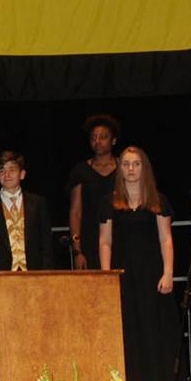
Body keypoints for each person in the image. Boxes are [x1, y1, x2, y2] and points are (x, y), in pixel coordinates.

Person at [98, 146, 177, 381]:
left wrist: (168, 272)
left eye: (136, 164)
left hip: (152, 275)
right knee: (127, 334)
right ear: (120, 169)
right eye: (126, 164)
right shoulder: (109, 201)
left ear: (145, 168)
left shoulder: (157, 200)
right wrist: (107, 276)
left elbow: (166, 239)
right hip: (123, 277)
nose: (131, 169)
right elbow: (105, 241)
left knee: (154, 331)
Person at [0, 151, 54, 271]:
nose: (7, 175)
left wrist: (46, 271)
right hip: (1, 273)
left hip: (34, 271)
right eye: (2, 171)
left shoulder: (37, 203)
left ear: (22, 174)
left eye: (12, 170)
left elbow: (46, 242)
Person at [67, 114, 121, 270]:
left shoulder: (124, 167)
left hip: (121, 237)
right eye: (93, 137)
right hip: (91, 240)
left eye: (103, 137)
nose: (97, 141)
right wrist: (77, 251)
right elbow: (75, 212)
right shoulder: (81, 170)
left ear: (113, 140)